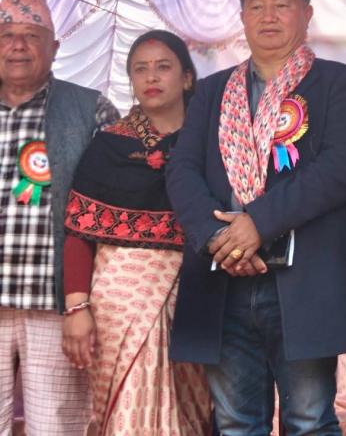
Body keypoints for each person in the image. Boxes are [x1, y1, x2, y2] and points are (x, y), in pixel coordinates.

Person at [166, 0, 346, 435]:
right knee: (236, 423)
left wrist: (256, 224)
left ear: (307, 14)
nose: (268, 16)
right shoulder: (213, 90)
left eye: (282, 5)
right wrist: (219, 238)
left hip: (305, 278)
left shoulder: (338, 83)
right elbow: (182, 170)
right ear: (242, 17)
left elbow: (339, 169)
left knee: (309, 420)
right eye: (256, 6)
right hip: (223, 278)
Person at [61, 29, 211, 434]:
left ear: (187, 77)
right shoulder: (108, 147)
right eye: (140, 69)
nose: (151, 77)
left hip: (198, 298)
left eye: (163, 67)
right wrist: (76, 308)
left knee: (192, 414)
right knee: (130, 413)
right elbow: (78, 232)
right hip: (118, 303)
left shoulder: (211, 143)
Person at [0, 0, 118, 435]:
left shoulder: (90, 110)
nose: (18, 46)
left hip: (57, 306)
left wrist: (81, 304)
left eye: (32, 36)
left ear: (54, 47)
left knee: (55, 427)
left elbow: (107, 213)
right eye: (7, 35)